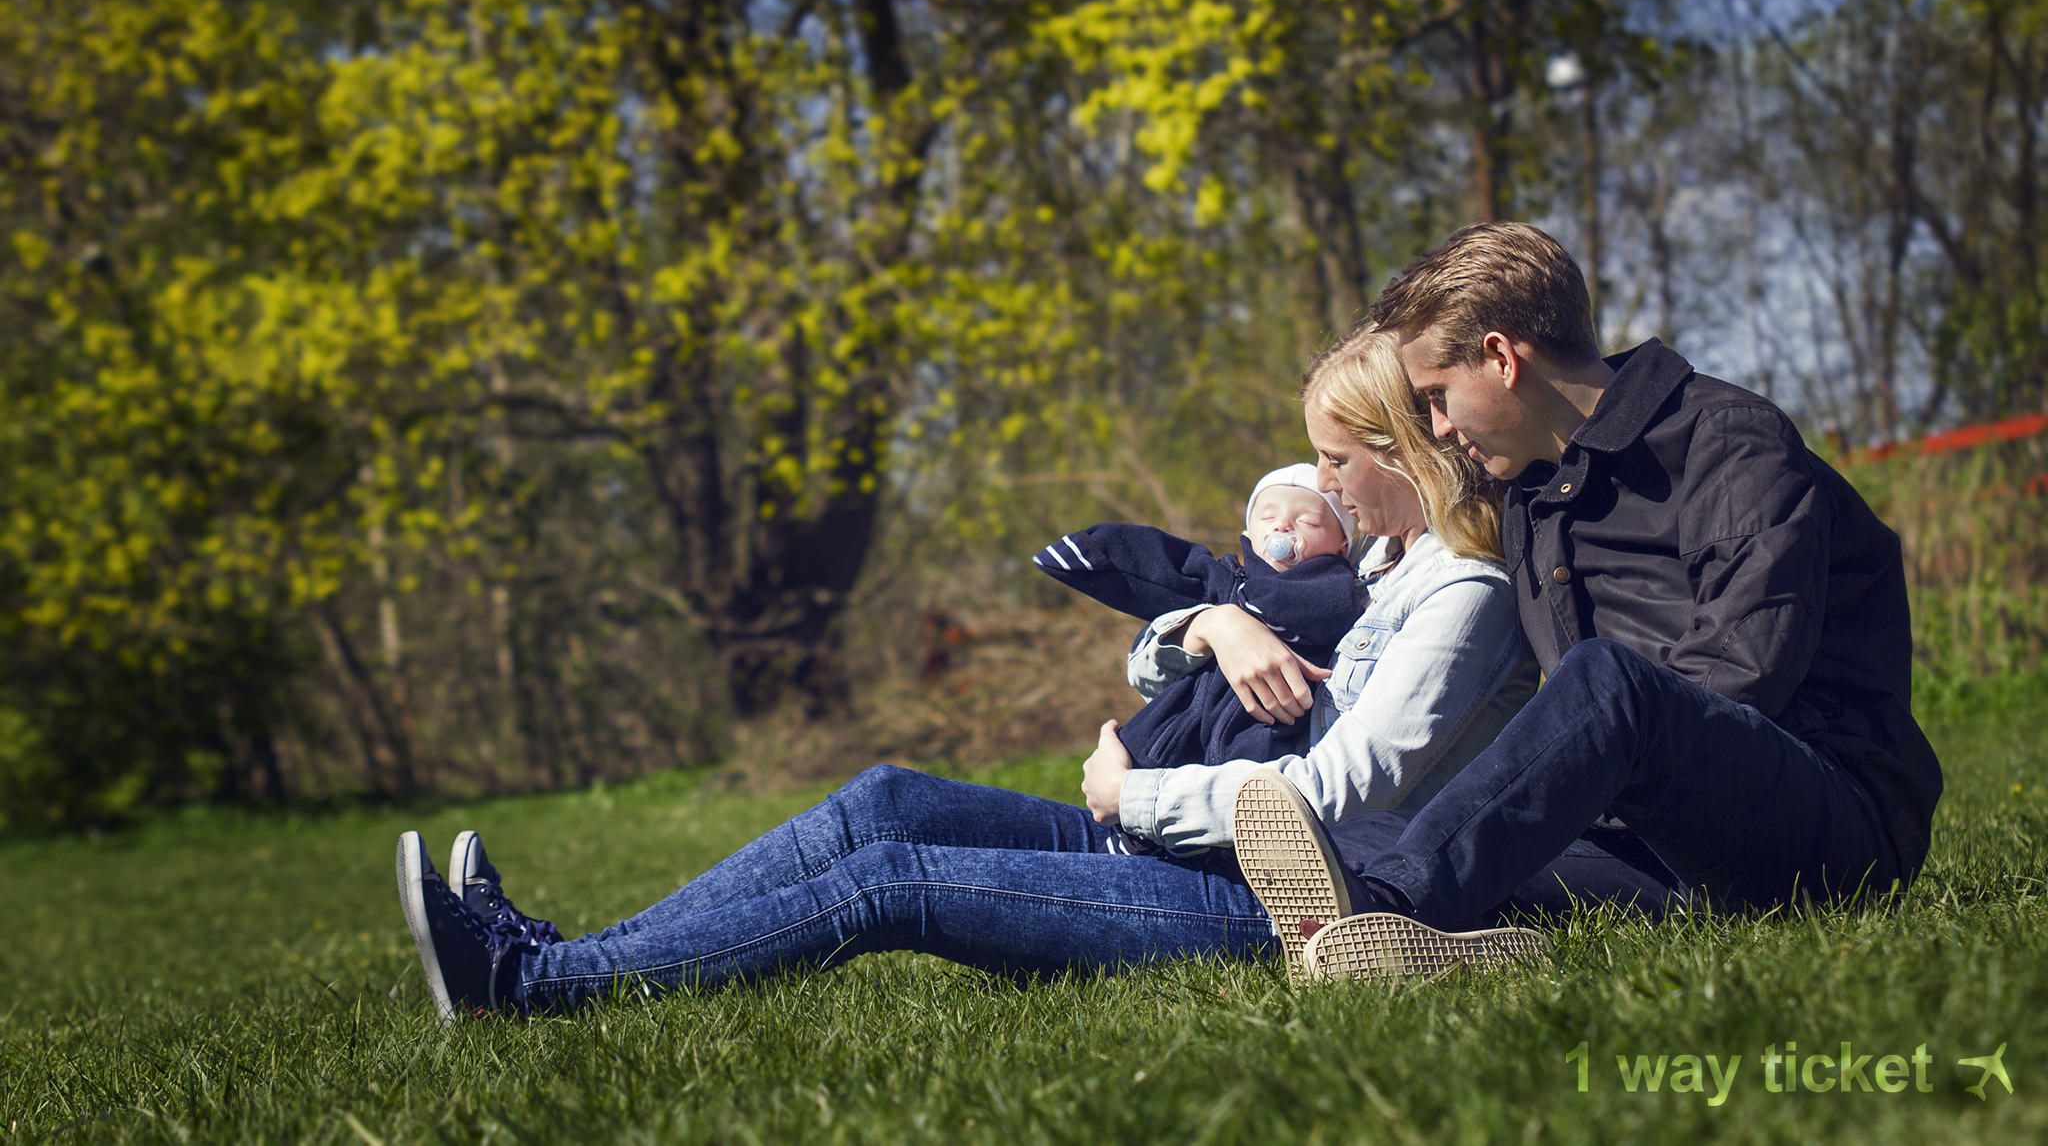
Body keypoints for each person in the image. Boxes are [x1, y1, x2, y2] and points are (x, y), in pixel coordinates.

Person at [391, 330, 1539, 1021]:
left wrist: (1129, 796)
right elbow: (1176, 652)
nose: (1319, 487)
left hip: (1267, 900)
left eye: (1335, 462)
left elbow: (1343, 790)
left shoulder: (1462, 596)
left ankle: (531, 988)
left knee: (892, 881)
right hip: (1179, 845)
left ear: (1402, 454)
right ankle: (558, 955)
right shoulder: (1375, 564)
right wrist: (1213, 624)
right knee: (883, 797)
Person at [1242, 221, 1946, 983]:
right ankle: (1389, 928)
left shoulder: (1729, 440)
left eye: (1438, 397)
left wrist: (1562, 785)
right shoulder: (1531, 494)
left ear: (1502, 358)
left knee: (1607, 679)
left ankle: (1391, 908)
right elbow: (1393, 504)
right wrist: (1214, 617)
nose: (1439, 428)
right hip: (1654, 840)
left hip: (1828, 825)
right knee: (1370, 836)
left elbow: (1745, 672)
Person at [1031, 463, 1360, 778]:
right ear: (1248, 534)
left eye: (1308, 521)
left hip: (1259, 748)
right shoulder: (1226, 582)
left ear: (1341, 547)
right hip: (1170, 745)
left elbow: (1309, 610)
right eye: (1268, 517)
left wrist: (1241, 605)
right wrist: (1094, 552)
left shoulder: (1335, 594)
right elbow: (1166, 570)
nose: (1282, 526)